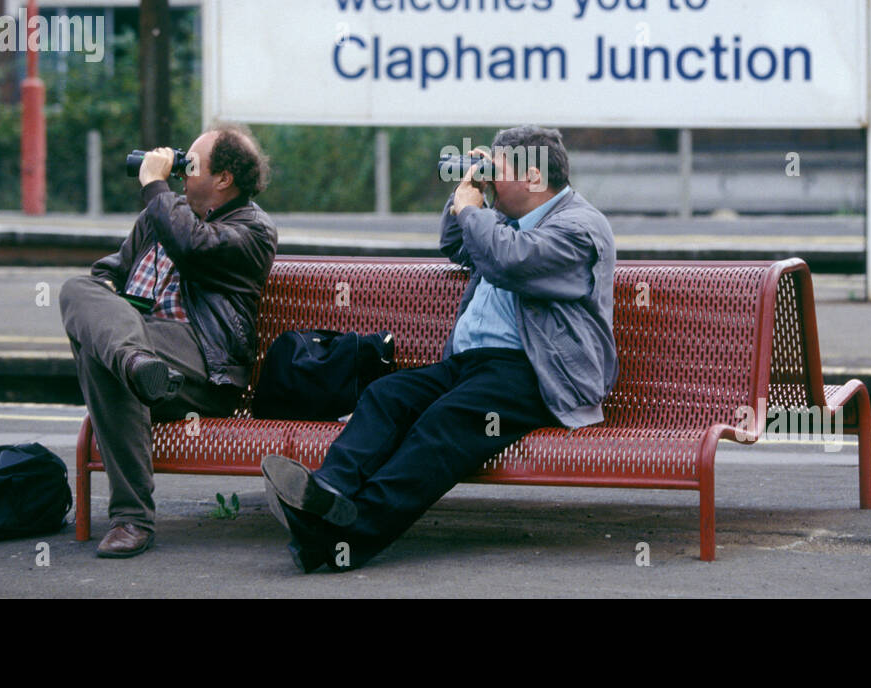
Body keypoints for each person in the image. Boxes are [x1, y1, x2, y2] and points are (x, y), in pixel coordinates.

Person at [261, 124, 616, 572]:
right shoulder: (505, 221)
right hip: (473, 365)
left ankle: (340, 538)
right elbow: (454, 245)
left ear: (531, 178)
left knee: (442, 425)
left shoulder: (580, 227)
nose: (488, 177)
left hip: (536, 373)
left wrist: (474, 211)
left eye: (497, 169)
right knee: (387, 396)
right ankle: (325, 493)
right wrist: (469, 199)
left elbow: (512, 261)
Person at [60, 124, 277, 557]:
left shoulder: (253, 230)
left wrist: (155, 184)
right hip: (145, 357)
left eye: (188, 165)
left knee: (100, 357)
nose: (179, 173)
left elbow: (192, 246)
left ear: (223, 179)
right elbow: (106, 275)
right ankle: (133, 363)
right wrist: (111, 308)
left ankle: (133, 518)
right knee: (75, 289)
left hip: (199, 365)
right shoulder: (159, 215)